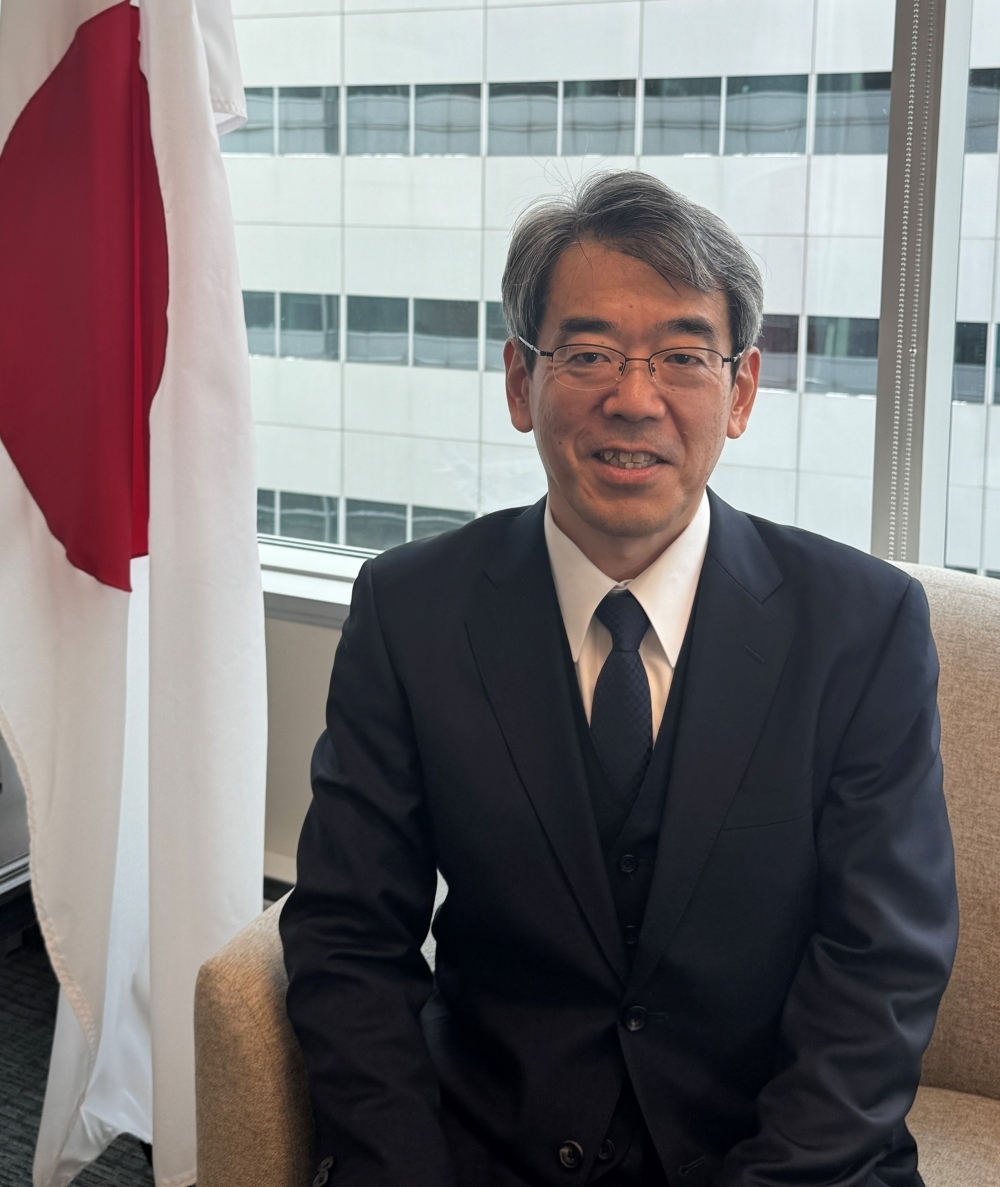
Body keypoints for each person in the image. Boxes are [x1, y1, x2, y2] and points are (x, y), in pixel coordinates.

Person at [280, 171, 958, 1187]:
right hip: (486, 1152)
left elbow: (880, 969)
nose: (634, 400)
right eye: (588, 353)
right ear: (520, 381)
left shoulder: (862, 627)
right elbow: (347, 935)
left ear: (740, 391)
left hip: (779, 1161)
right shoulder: (410, 610)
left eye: (683, 356)